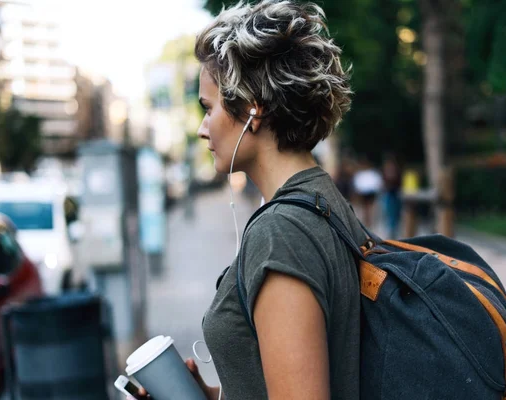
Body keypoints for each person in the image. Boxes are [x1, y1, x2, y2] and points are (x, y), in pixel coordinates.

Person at [134, 1, 361, 399]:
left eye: (208, 108)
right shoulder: (322, 198)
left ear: (252, 107)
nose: (203, 129)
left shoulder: (281, 234)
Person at [351, 157, 382, 227]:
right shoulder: (360, 173)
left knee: (369, 208)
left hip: (370, 193)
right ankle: (367, 221)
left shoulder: (372, 173)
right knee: (365, 208)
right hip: (363, 194)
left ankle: (369, 221)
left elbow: (377, 183)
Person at [381, 153, 403, 239]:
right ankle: (391, 233)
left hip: (394, 194)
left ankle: (393, 232)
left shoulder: (394, 170)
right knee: (390, 214)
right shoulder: (388, 171)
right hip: (389, 194)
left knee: (395, 215)